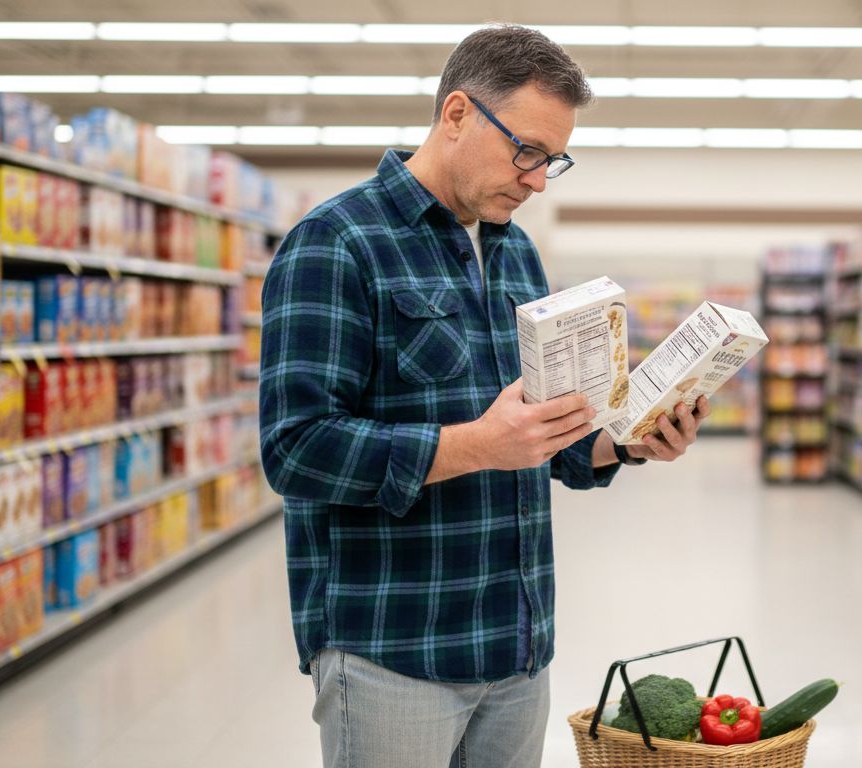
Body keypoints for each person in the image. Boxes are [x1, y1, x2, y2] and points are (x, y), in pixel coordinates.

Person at [259, 24, 711, 768]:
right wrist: (472, 446)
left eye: (553, 160)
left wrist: (623, 439)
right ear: (458, 114)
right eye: (526, 151)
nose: (537, 179)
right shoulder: (336, 242)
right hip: (393, 648)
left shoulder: (516, 252)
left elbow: (544, 437)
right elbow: (296, 450)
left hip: (518, 640)